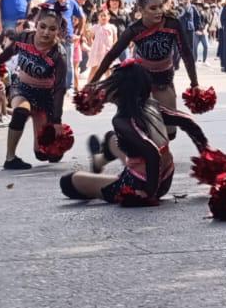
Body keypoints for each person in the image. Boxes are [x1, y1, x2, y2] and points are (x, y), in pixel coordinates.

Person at [61, 61, 209, 205]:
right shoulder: (151, 105)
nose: (107, 90)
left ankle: (108, 172)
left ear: (120, 91)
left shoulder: (122, 121)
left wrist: (149, 194)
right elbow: (187, 122)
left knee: (69, 181)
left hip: (139, 184)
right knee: (112, 139)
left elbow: (152, 153)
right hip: (165, 176)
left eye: (112, 84)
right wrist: (207, 154)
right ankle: (100, 160)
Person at [87, 0, 199, 113]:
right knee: (132, 122)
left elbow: (186, 53)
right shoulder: (135, 29)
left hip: (164, 82)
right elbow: (112, 54)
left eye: (160, 6)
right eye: (153, 8)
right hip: (141, 81)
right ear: (141, 11)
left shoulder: (172, 24)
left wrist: (195, 84)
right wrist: (92, 83)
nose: (159, 12)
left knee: (170, 126)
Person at [0, 5, 70, 170]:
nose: (46, 32)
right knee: (20, 112)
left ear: (59, 31)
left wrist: (56, 121)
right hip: (22, 87)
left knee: (44, 154)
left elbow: (60, 88)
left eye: (52, 29)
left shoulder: (58, 54)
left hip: (45, 96)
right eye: (43, 27)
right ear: (36, 24)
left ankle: (46, 145)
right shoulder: (24, 37)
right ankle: (10, 158)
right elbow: (9, 52)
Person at [85, 7, 118, 84]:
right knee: (94, 68)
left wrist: (113, 48)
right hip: (97, 51)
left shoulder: (112, 27)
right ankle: (89, 85)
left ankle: (108, 85)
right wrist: (92, 44)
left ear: (109, 17)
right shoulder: (95, 27)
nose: (103, 17)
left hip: (107, 51)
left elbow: (115, 39)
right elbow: (90, 36)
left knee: (107, 69)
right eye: (101, 15)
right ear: (98, 17)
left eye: (105, 15)